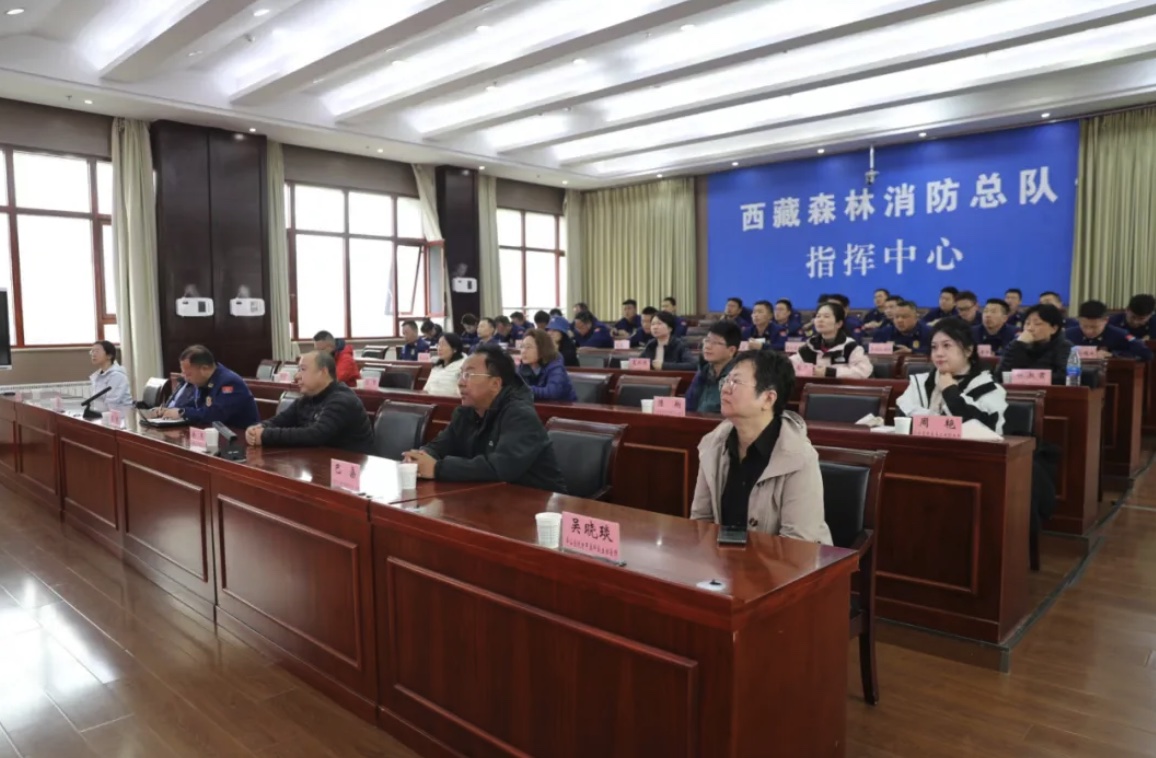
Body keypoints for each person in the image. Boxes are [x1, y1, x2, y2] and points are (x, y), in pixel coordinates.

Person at [690, 350, 832, 544]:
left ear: (768, 399)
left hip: (788, 561)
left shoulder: (799, 456)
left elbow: (798, 543)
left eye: (736, 382)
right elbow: (701, 520)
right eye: (726, 380)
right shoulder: (712, 444)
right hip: (724, 559)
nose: (725, 389)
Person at [403, 345, 567, 493]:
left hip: (539, 504)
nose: (460, 383)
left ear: (495, 384)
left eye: (469, 375)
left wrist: (437, 468)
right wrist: (421, 457)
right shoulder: (465, 412)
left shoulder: (520, 415)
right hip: (493, 499)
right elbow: (440, 446)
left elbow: (501, 468)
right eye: (461, 375)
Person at [244, 351, 374, 453]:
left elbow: (315, 435)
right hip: (321, 463)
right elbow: (278, 421)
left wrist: (265, 435)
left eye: (303, 369)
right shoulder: (306, 399)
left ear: (323, 372)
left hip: (349, 470)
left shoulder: (342, 400)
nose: (297, 376)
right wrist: (257, 429)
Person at [897, 319, 1007, 434]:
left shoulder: (987, 387)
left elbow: (983, 430)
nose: (939, 353)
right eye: (934, 347)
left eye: (947, 345)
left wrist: (950, 391)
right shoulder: (920, 383)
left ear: (968, 350)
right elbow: (902, 421)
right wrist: (945, 424)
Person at [150, 345, 259, 426]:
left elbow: (215, 415)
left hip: (240, 439)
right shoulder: (202, 381)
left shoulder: (229, 383)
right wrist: (168, 411)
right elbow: (194, 407)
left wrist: (181, 412)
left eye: (188, 374)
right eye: (183, 373)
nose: (186, 378)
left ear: (204, 369)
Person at [791, 302, 872, 378]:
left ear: (839, 324)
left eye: (826, 316)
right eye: (818, 316)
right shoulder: (809, 347)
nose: (820, 320)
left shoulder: (850, 347)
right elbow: (790, 366)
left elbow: (864, 371)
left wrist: (831, 372)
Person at [997, 304, 1073, 384]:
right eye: (1027, 323)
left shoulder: (1065, 347)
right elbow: (1000, 376)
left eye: (1037, 324)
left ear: (1054, 329)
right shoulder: (1017, 345)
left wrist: (1027, 377)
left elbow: (1065, 377)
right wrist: (1018, 346)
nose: (1030, 328)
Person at [1067, 300, 1153, 361]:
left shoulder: (1120, 335)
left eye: (1094, 327)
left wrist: (1113, 355)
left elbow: (1146, 354)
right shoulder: (1068, 334)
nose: (1088, 331)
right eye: (1084, 326)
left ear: (1105, 320)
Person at [686, 321, 741, 413]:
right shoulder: (704, 370)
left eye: (715, 343)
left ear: (731, 350)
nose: (707, 346)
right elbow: (688, 403)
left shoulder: (738, 377)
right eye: (707, 341)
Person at [517, 328, 577, 402]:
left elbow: (553, 392)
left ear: (542, 349)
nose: (523, 351)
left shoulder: (555, 364)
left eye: (528, 347)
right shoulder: (523, 366)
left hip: (563, 407)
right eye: (522, 347)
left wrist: (524, 389)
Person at [88, 340, 132, 408]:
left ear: (109, 356)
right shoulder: (99, 375)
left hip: (119, 413)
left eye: (97, 351)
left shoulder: (117, 376)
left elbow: (112, 404)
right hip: (104, 413)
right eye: (92, 351)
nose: (93, 354)